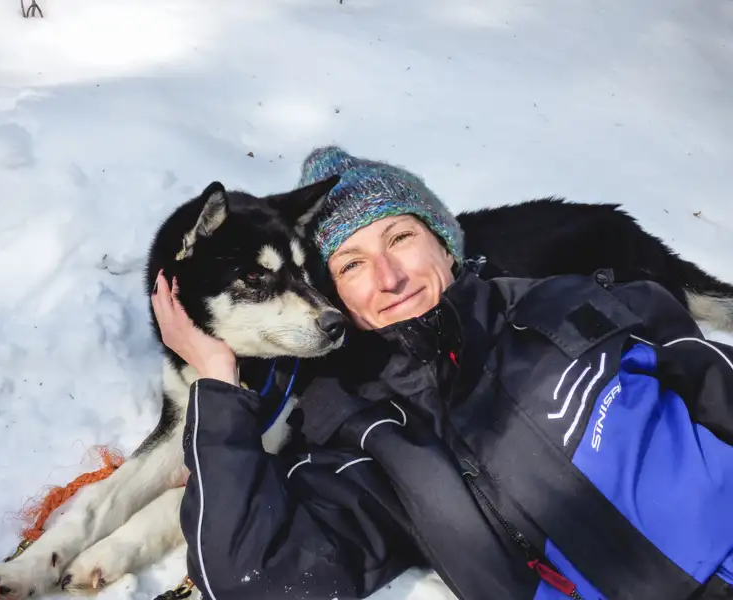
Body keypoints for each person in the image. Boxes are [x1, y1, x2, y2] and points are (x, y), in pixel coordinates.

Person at [151, 146, 733, 600]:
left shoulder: (574, 302)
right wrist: (217, 384)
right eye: (351, 264)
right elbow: (252, 577)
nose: (388, 276)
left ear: (447, 244)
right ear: (333, 298)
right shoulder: (367, 441)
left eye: (400, 237)